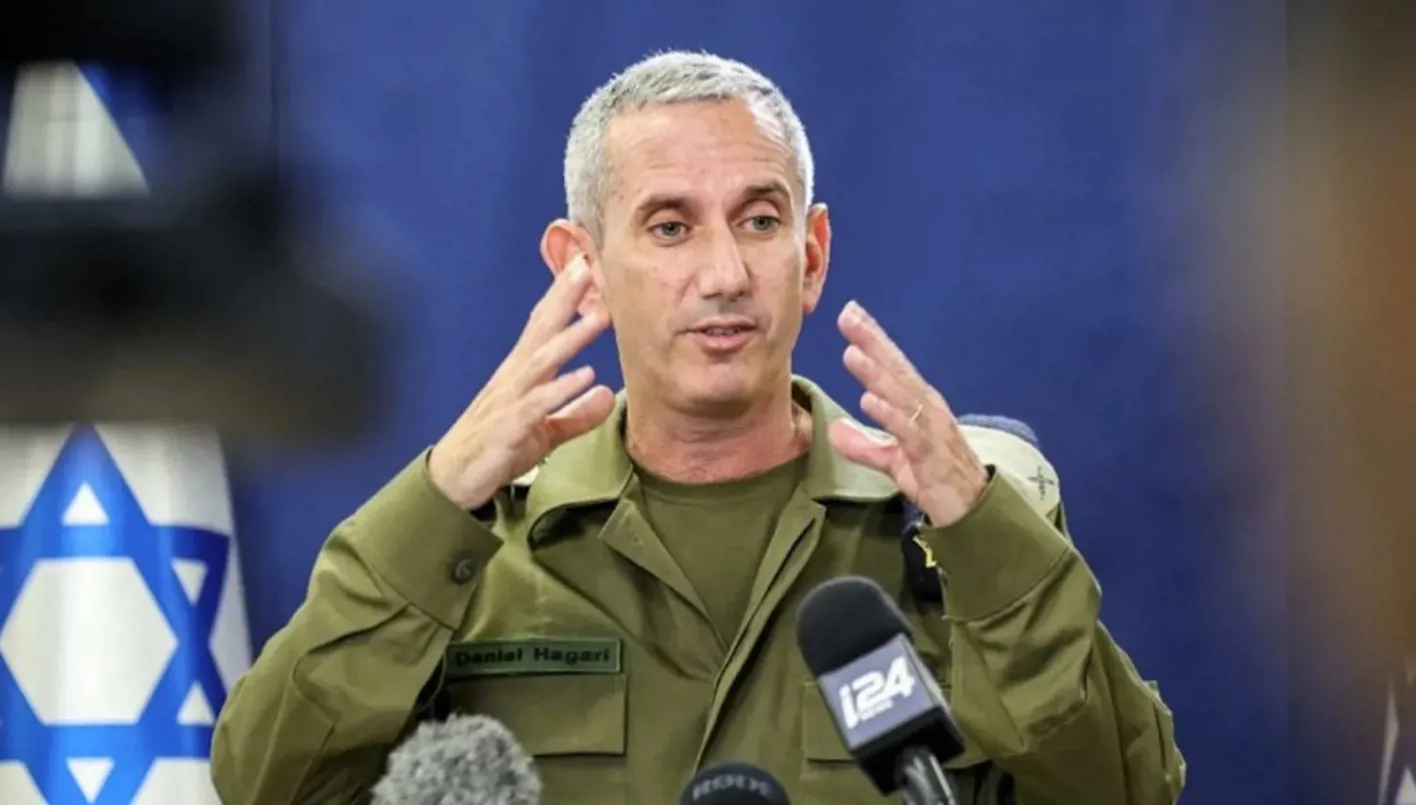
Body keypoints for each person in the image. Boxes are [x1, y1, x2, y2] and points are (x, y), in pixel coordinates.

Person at [210, 51, 1185, 805]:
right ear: (581, 266)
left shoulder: (954, 529)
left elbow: (1127, 791)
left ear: (811, 256)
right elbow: (268, 782)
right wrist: (435, 499)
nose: (724, 274)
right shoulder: (470, 548)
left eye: (759, 221)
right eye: (670, 227)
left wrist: (984, 535)